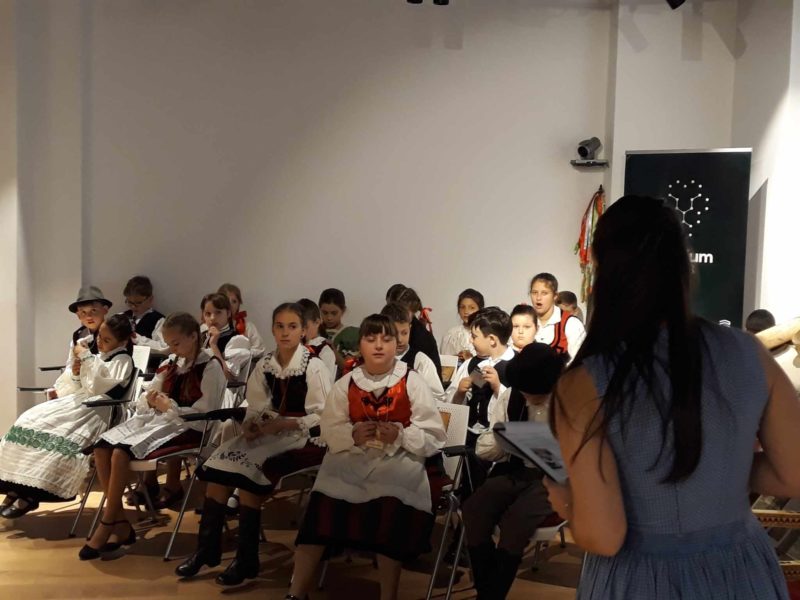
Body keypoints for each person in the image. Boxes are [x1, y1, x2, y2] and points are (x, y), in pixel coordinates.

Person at [543, 196, 794, 599]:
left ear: (603, 274)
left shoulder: (585, 382)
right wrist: (719, 469)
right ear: (684, 265)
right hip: (742, 570)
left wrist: (566, 499)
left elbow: (604, 535)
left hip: (638, 579)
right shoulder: (749, 353)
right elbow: (793, 472)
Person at [286, 314, 446, 600]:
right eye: (371, 339)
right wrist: (353, 435)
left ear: (396, 344)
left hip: (398, 458)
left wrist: (400, 435)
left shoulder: (412, 381)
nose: (379, 346)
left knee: (389, 509)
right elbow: (329, 428)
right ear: (360, 345)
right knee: (320, 508)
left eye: (386, 339)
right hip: (353, 458)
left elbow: (433, 434)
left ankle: (388, 595)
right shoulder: (347, 383)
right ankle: (296, 593)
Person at [177, 302, 331, 585]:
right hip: (270, 432)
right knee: (218, 469)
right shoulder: (266, 364)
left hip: (304, 437)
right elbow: (256, 405)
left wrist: (282, 424)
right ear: (272, 329)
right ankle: (207, 548)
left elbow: (321, 415)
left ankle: (247, 558)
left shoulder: (314, 366)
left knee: (249, 475)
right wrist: (250, 423)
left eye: (292, 326)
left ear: (303, 331)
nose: (285, 332)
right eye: (280, 326)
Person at [80, 312, 226, 560]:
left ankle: (108, 522)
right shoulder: (171, 364)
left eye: (176, 343)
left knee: (120, 452)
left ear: (193, 336)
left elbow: (206, 413)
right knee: (102, 447)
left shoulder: (210, 367)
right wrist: (149, 399)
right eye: (168, 343)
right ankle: (120, 522)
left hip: (189, 427)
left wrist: (170, 407)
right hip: (160, 420)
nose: (172, 349)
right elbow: (149, 393)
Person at [0, 314, 135, 518]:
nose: (100, 342)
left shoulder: (122, 359)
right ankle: (16, 486)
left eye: (107, 340)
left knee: (55, 430)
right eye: (100, 336)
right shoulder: (100, 356)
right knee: (29, 420)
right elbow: (77, 386)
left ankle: (32, 493)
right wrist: (76, 372)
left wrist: (87, 358)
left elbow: (100, 387)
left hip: (100, 408)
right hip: (82, 401)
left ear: (122, 342)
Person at [462, 343, 565, 599]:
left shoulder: (568, 401)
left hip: (555, 479)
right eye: (525, 392)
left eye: (535, 395)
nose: (529, 399)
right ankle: (488, 590)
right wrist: (503, 440)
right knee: (474, 508)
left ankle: (489, 595)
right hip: (516, 469)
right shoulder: (512, 396)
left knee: (516, 521)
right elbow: (489, 443)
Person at [444, 307, 514, 434]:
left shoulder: (516, 366)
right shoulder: (474, 364)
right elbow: (453, 404)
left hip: (499, 437)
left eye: (474, 336)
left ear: (492, 340)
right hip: (469, 433)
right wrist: (460, 392)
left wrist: (498, 387)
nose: (470, 340)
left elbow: (518, 409)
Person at [381, 302, 445, 402]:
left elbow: (438, 398)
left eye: (404, 333)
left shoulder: (420, 361)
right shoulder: (376, 358)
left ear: (410, 328)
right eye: (394, 333)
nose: (400, 339)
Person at [529, 273, 585, 362]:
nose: (538, 298)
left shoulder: (571, 324)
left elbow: (578, 362)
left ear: (555, 296)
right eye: (534, 292)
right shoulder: (525, 321)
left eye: (544, 293)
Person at [395, 286, 442, 378]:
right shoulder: (385, 329)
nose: (399, 339)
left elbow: (434, 377)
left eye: (404, 333)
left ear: (413, 312)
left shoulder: (423, 337)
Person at [218, 283, 266, 360]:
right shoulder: (212, 326)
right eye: (226, 301)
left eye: (234, 301)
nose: (230, 305)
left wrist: (242, 353)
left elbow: (260, 350)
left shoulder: (248, 327)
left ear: (239, 304)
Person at [123, 275, 168, 354]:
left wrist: (137, 339)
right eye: (130, 302)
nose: (133, 306)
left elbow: (164, 347)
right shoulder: (122, 317)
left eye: (138, 303)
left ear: (150, 299)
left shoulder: (158, 320)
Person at [318, 288, 360, 371]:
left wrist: (332, 348)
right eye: (325, 313)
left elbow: (348, 369)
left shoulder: (351, 334)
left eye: (334, 313)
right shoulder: (314, 331)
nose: (329, 318)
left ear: (343, 310)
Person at [297, 298, 337, 385]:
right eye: (295, 327)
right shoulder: (293, 346)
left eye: (305, 327)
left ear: (317, 322)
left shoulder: (324, 350)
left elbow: (326, 384)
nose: (301, 331)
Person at [440, 288, 484, 361]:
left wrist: (471, 359)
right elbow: (445, 362)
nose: (466, 311)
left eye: (472, 308)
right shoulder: (451, 334)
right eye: (462, 307)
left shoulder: (486, 334)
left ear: (480, 310)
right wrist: (456, 358)